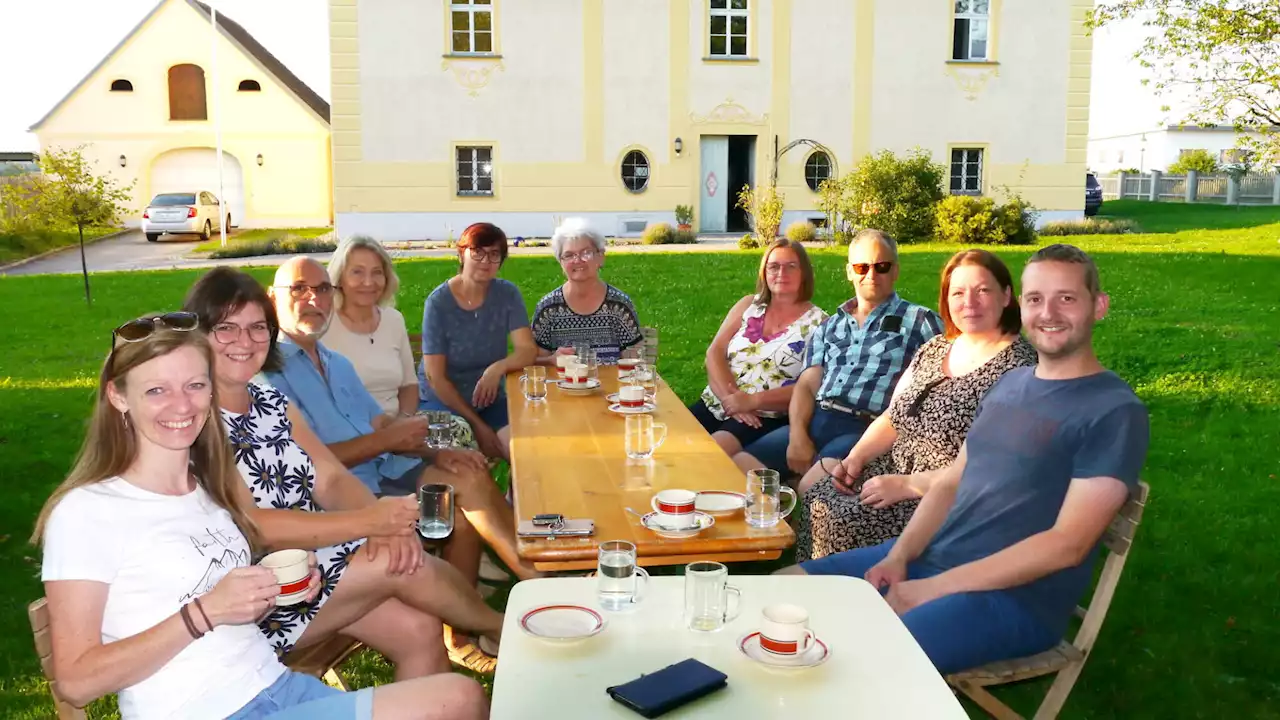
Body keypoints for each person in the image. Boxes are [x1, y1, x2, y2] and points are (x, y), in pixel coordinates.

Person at [33, 314, 488, 719]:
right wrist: (204, 613)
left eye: (195, 385)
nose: (182, 405)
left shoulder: (210, 486)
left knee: (460, 698)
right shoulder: (87, 512)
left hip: (278, 688)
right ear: (118, 397)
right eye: (156, 390)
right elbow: (77, 680)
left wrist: (277, 589)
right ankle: (501, 628)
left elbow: (223, 586)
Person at [778, 244, 1150, 676]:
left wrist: (929, 589)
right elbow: (953, 481)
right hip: (934, 556)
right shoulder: (1011, 383)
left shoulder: (1112, 410)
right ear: (1023, 305)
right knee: (783, 590)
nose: (1048, 312)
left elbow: (1067, 545)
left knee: (854, 664)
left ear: (1098, 306)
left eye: (1066, 298)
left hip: (1012, 597)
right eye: (1036, 299)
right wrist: (900, 557)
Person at [185, 267, 505, 674]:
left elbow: (331, 477)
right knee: (396, 562)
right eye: (226, 329)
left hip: (314, 568)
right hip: (253, 597)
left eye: (257, 328)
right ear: (198, 334)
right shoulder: (194, 416)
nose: (244, 342)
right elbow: (257, 525)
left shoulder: (271, 401)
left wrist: (379, 526)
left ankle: (487, 643)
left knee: (420, 630)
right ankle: (508, 629)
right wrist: (369, 521)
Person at [262, 257, 538, 584]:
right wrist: (390, 440)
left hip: (386, 471)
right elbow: (309, 464)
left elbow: (381, 426)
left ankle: (526, 573)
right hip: (340, 500)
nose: (314, 299)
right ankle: (534, 583)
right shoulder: (268, 374)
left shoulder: (336, 363)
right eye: (298, 289)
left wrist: (437, 453)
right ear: (272, 298)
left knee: (466, 470)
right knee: (458, 521)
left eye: (322, 289)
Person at [795, 249, 1037, 560]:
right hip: (892, 470)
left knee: (844, 520)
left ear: (1006, 296)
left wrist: (909, 485)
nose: (969, 302)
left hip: (947, 496)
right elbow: (892, 417)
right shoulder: (937, 347)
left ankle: (862, 600)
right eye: (958, 292)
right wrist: (856, 458)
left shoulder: (1019, 369)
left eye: (982, 290)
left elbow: (994, 468)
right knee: (821, 496)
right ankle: (823, 593)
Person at [731, 229, 942, 476]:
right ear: (850, 271)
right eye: (862, 267)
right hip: (818, 417)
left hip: (865, 429)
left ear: (895, 270)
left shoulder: (920, 321)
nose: (871, 275)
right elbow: (807, 386)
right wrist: (798, 436)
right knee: (735, 469)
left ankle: (799, 491)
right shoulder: (830, 325)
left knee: (814, 487)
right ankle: (785, 497)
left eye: (881, 266)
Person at [323, 235, 477, 448]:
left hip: (399, 423)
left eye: (377, 272)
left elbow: (409, 385)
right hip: (351, 435)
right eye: (357, 272)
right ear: (339, 278)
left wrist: (402, 422)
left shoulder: (393, 320)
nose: (368, 282)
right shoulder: (323, 327)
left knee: (460, 435)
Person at [691, 238, 828, 459]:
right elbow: (714, 353)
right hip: (717, 402)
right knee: (671, 445)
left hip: (764, 415)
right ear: (764, 272)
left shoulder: (820, 323)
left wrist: (751, 402)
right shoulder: (748, 305)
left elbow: (812, 388)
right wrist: (733, 401)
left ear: (804, 273)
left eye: (791, 266)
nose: (781, 272)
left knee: (708, 455)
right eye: (774, 266)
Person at [418, 222, 538, 461]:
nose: (485, 261)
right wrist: (477, 425)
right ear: (462, 253)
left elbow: (527, 350)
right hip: (442, 404)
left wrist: (497, 369)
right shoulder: (439, 303)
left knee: (526, 453)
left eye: (494, 255)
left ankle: (514, 498)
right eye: (478, 252)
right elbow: (435, 377)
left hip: (489, 399)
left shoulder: (507, 295)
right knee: (466, 463)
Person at [530, 217, 643, 365]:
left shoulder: (619, 305)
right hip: (563, 387)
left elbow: (637, 363)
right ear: (561, 262)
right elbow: (533, 365)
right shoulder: (548, 308)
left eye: (586, 252)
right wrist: (551, 360)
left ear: (600, 257)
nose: (577, 260)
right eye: (569, 255)